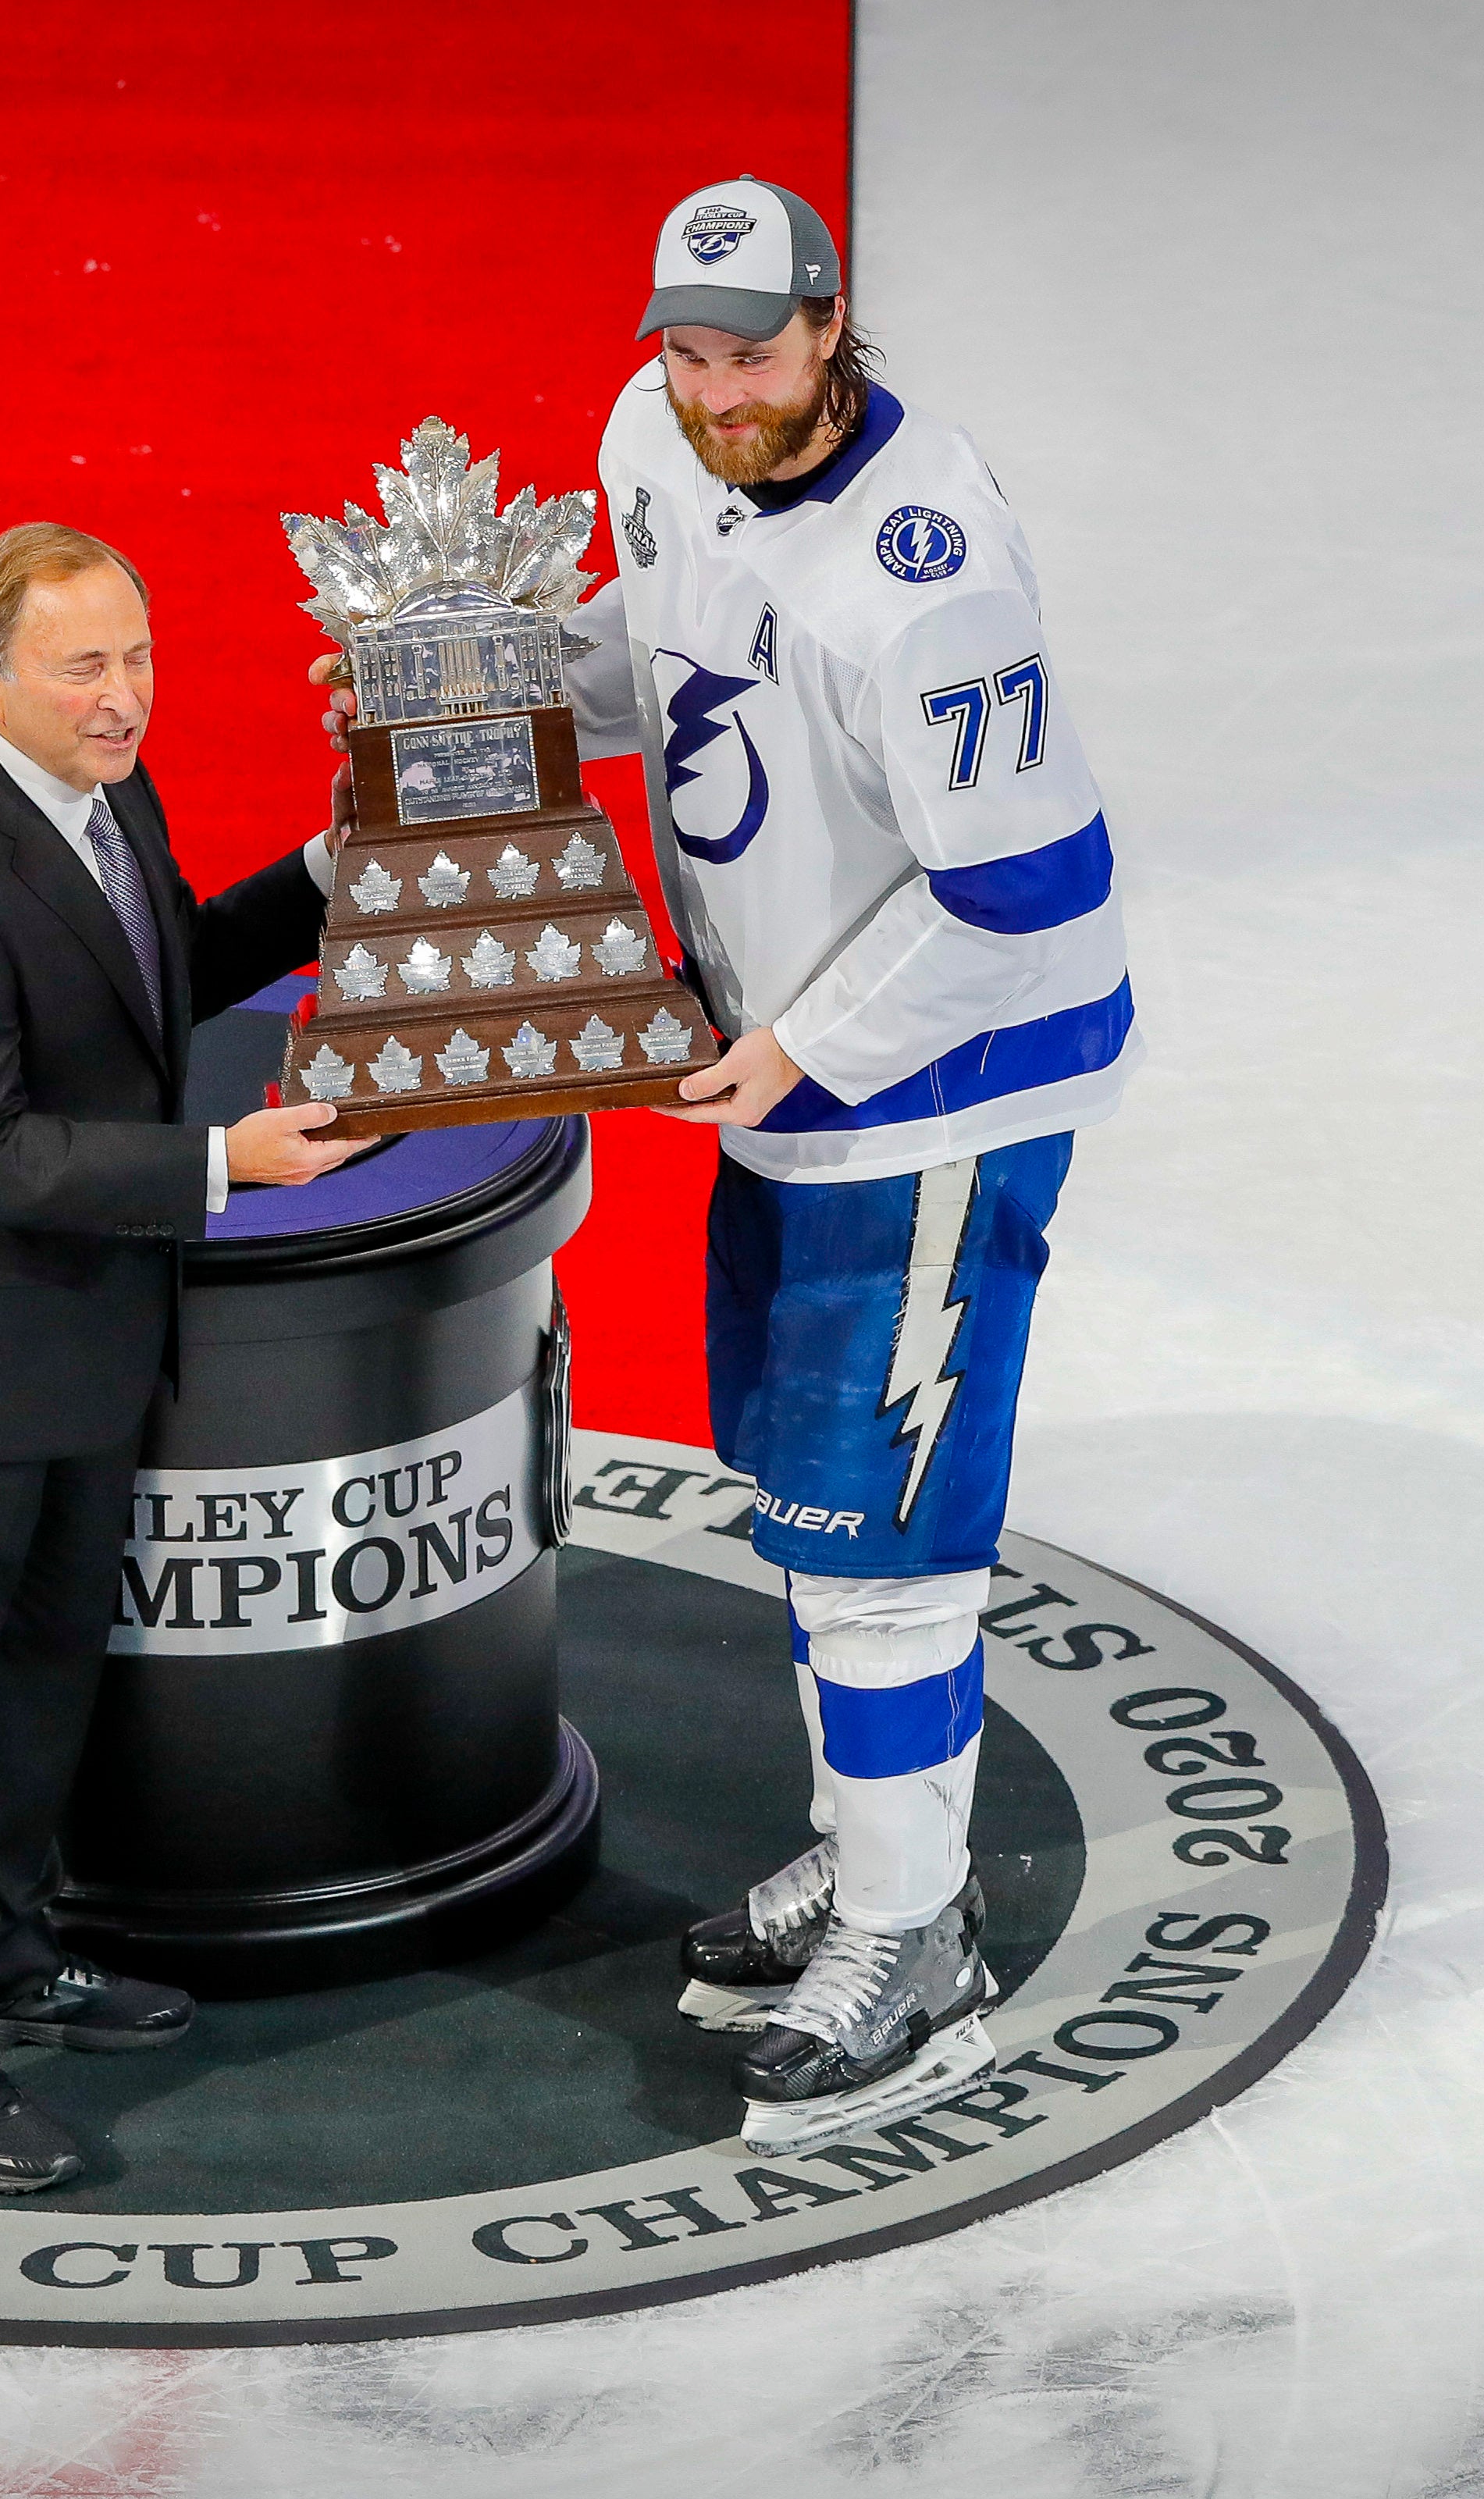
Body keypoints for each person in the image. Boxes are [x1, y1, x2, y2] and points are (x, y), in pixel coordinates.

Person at [316, 178, 1136, 2153]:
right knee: (803, 1500)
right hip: (776, 1069)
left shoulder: (931, 581)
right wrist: (474, 687)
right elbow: (665, 660)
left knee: (889, 1533)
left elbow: (1032, 893)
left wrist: (800, 1047)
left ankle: (912, 1927)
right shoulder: (652, 432)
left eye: (751, 352)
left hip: (938, 1086)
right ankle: (864, 1851)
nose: (712, 390)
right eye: (684, 349)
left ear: (832, 325)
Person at [0, 521, 363, 2191]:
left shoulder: (109, 793)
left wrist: (337, 870)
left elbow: (157, 972)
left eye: (136, 655)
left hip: (70, 1344)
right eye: (83, 666)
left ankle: (3, 1941)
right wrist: (224, 1167)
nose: (123, 697)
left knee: (41, 1673)